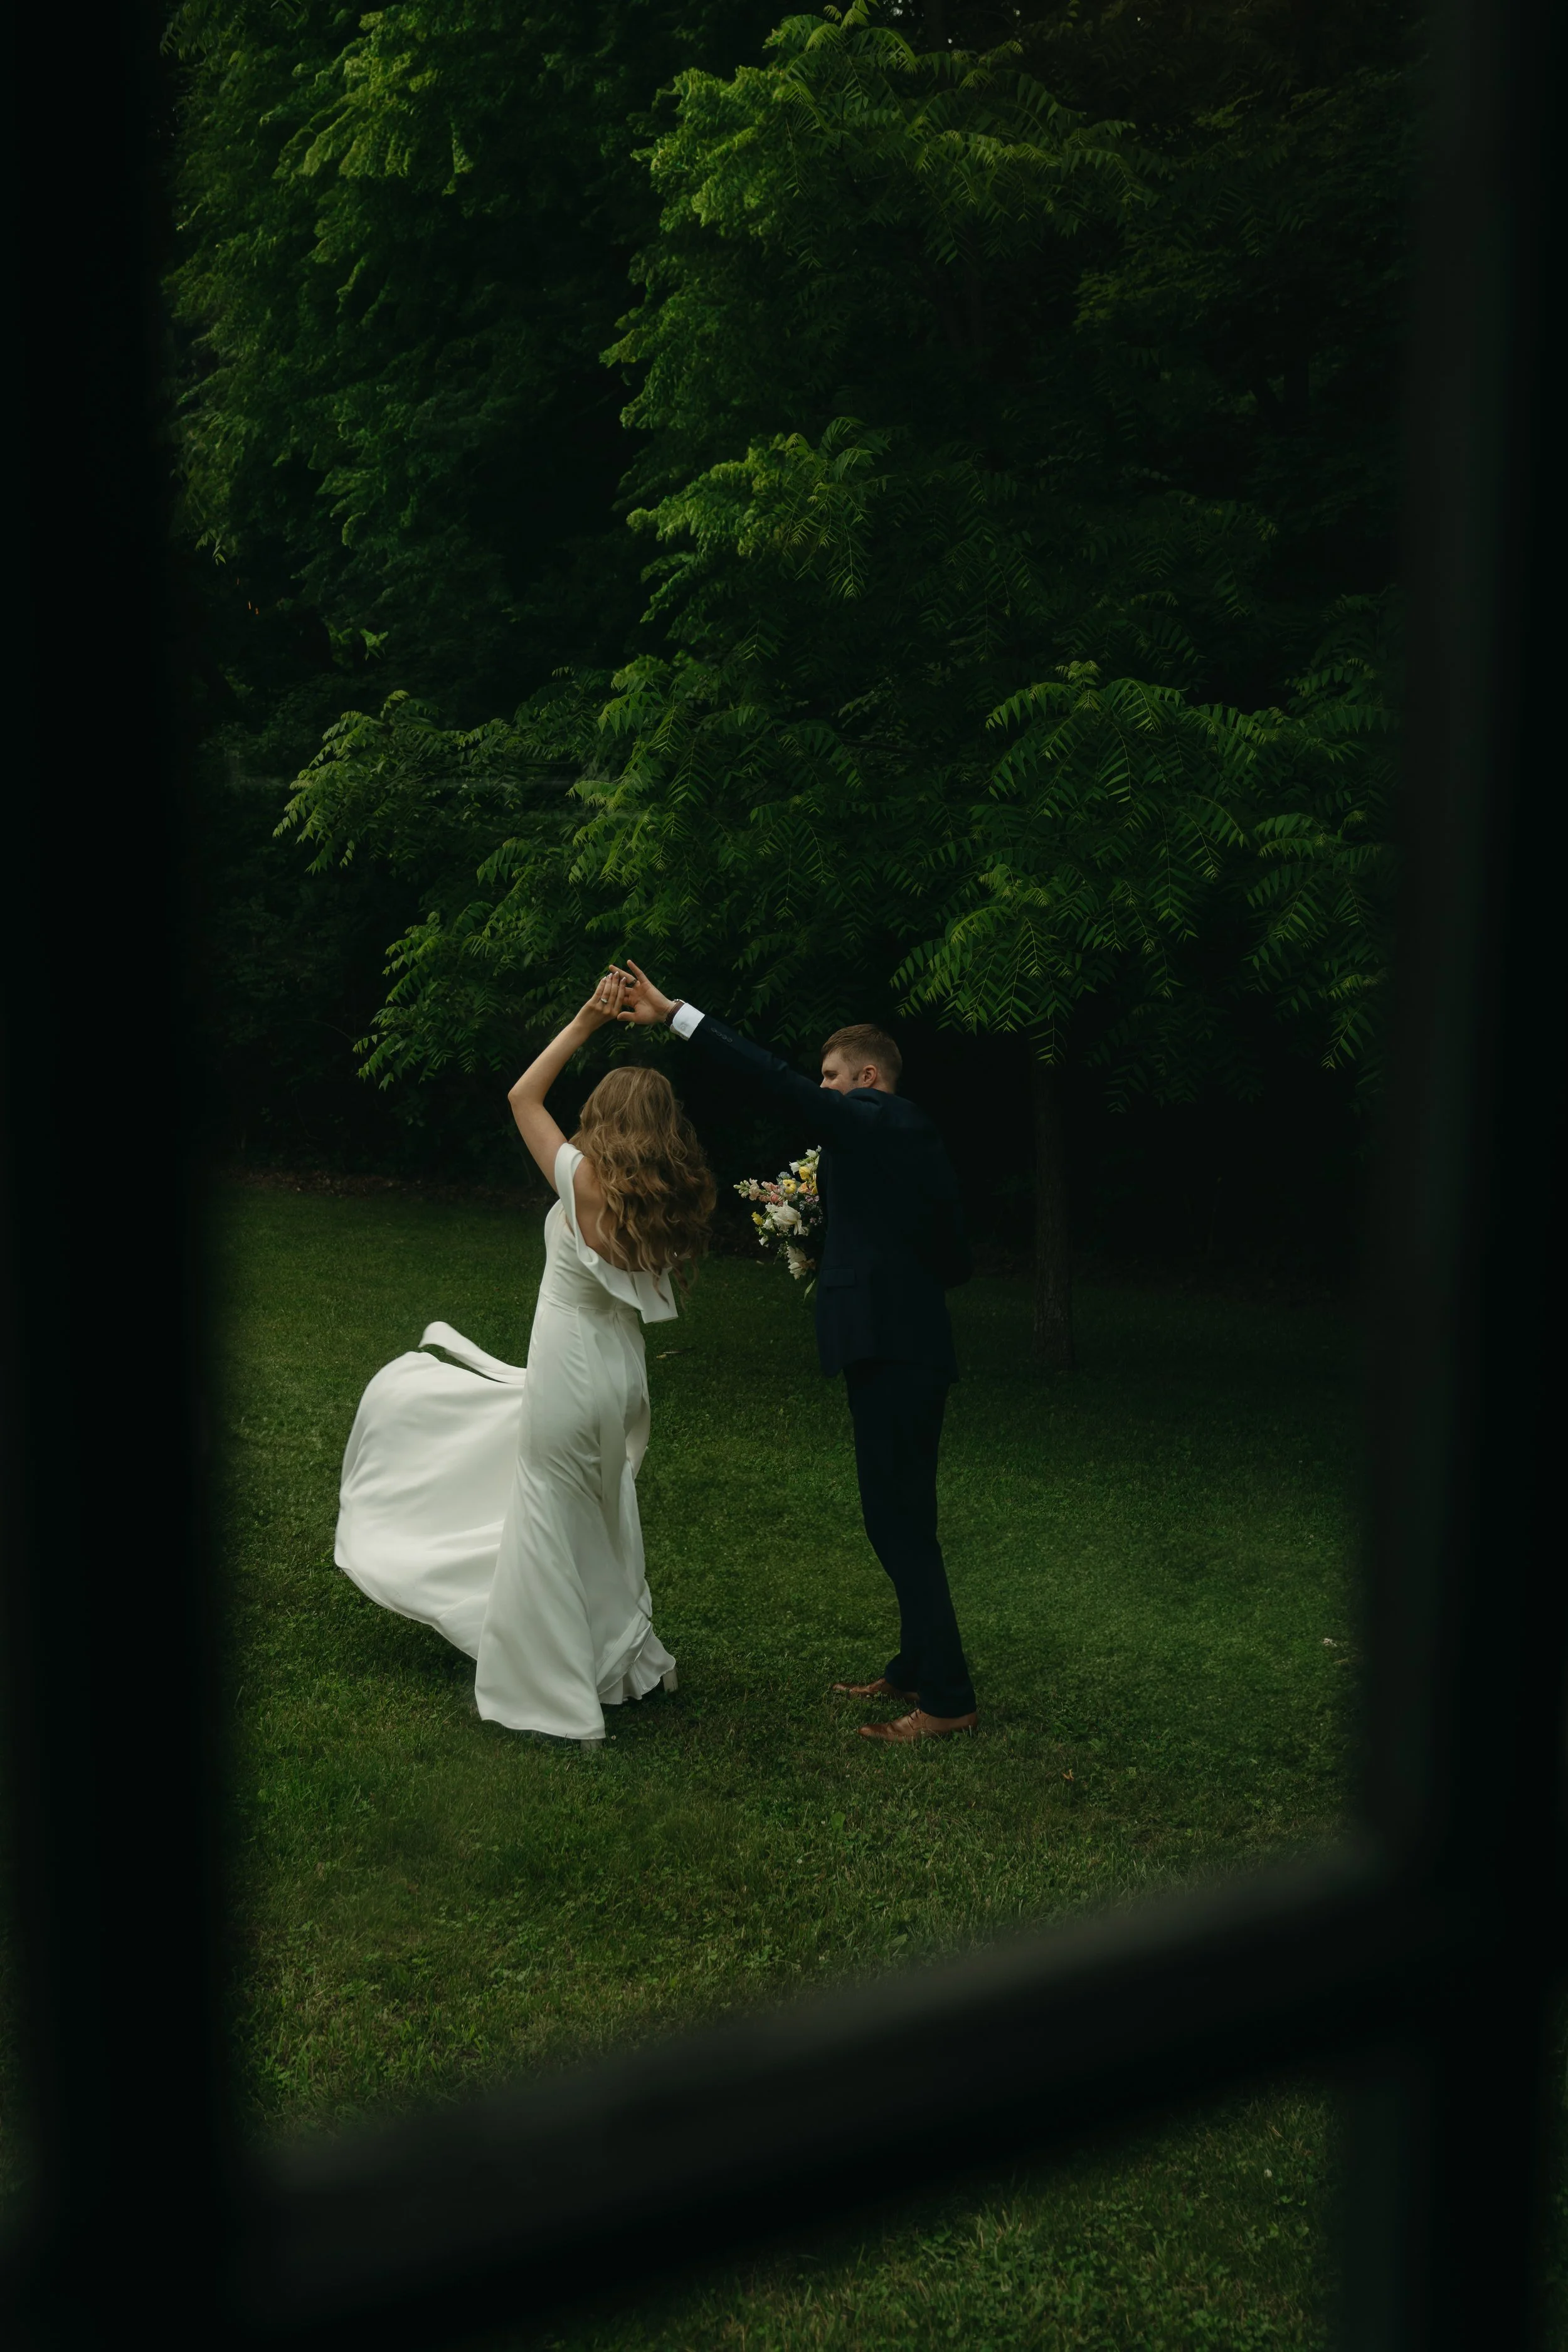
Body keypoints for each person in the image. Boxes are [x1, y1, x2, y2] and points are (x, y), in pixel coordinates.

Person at [334, 975, 714, 1748]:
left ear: (605, 1118)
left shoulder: (581, 1177)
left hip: (570, 1362)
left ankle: (549, 1683)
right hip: (620, 1372)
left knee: (547, 1510)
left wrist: (581, 1024)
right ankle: (619, 1662)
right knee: (603, 1509)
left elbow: (520, 1097)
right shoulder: (666, 1199)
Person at [612, 961, 978, 1743]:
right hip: (899, 1344)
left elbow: (773, 1081)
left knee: (898, 1521)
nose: (822, 1089)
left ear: (868, 1078)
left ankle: (947, 1700)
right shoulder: (892, 1145)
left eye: (831, 1078)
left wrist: (677, 1014)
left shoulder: (886, 1120)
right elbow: (954, 1257)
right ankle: (914, 1667)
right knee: (899, 1514)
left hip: (896, 1349)